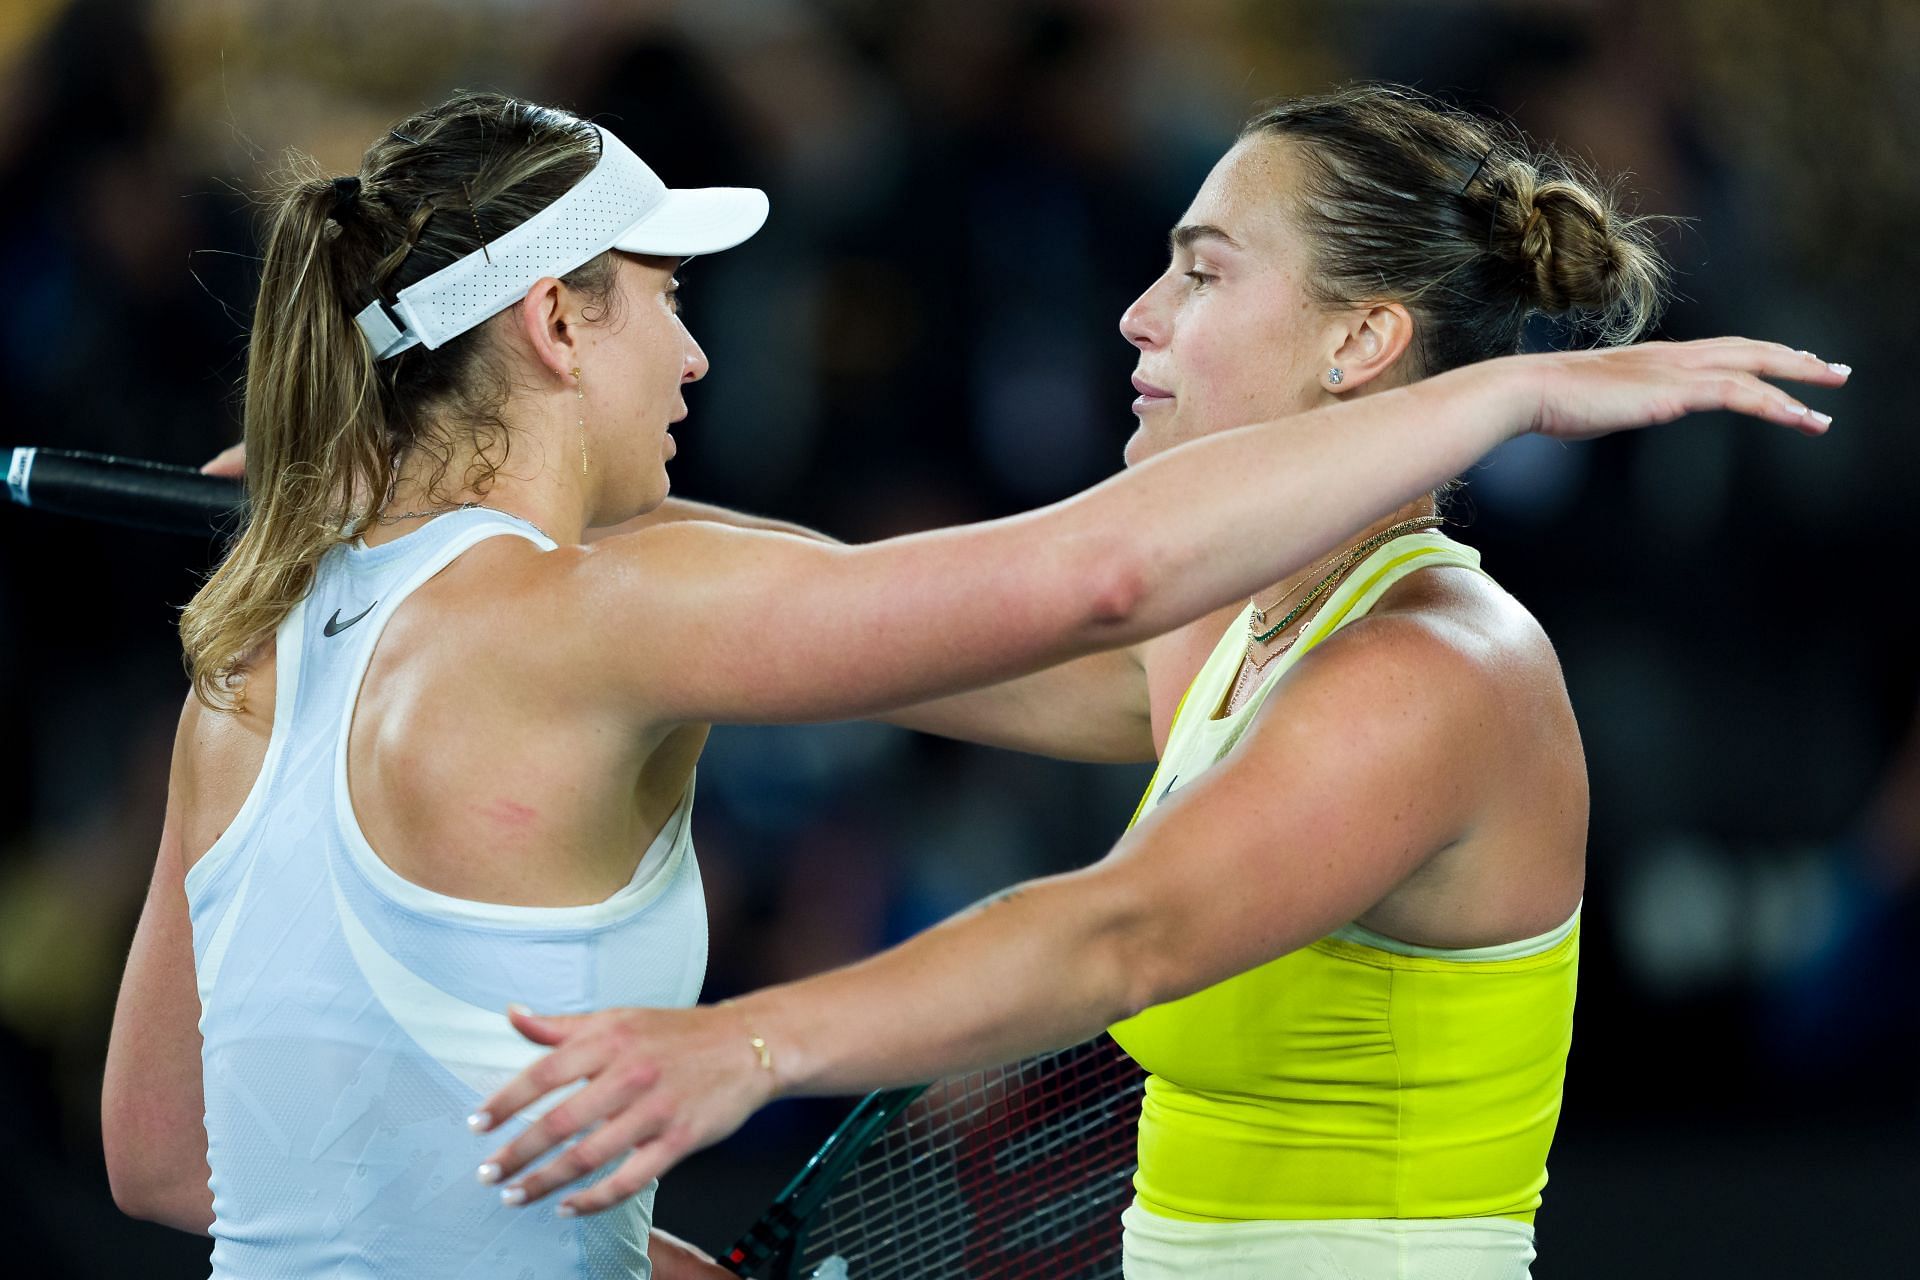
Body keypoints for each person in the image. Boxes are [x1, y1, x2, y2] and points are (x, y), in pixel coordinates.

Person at [464, 86, 1846, 1278]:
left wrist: (738, 1052)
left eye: (1203, 272)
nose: (1139, 317)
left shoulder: (1436, 670)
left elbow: (1119, 936)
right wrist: (444, 498)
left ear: (1358, 342)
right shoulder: (1236, 638)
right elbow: (824, 606)